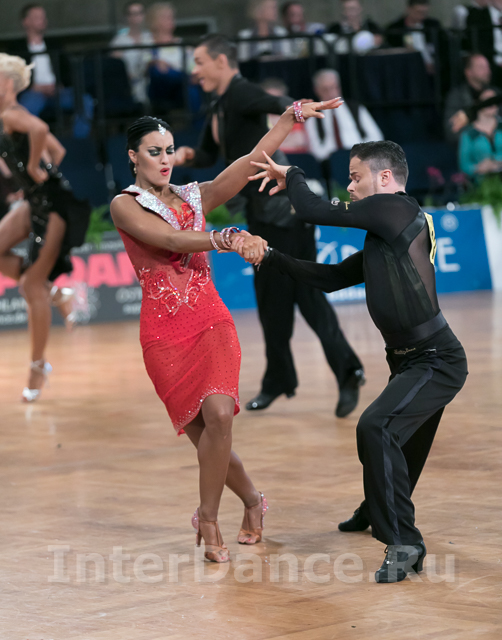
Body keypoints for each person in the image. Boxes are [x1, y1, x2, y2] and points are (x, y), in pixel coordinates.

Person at [110, 101, 341, 561]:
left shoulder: (195, 196)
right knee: (208, 442)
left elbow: (253, 160)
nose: (165, 159)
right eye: (154, 152)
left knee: (219, 418)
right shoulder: (124, 204)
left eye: (169, 150)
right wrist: (227, 238)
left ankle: (208, 518)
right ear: (133, 156)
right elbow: (171, 240)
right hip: (163, 334)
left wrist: (289, 118)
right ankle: (253, 501)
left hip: (210, 319)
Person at [241, 139, 468, 582]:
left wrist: (293, 174)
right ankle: (373, 509)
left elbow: (312, 210)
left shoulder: (396, 208)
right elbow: (328, 278)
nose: (349, 187)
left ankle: (405, 544)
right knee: (399, 443)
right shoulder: (384, 234)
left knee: (376, 427)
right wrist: (271, 257)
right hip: (409, 361)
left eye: (355, 177)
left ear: (384, 178)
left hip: (435, 359)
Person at [174, 35, 365, 417]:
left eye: (200, 61)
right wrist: (187, 154)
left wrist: (296, 108)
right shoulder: (219, 103)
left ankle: (348, 371)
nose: (195, 71)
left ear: (222, 61)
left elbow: (273, 104)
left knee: (307, 296)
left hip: (285, 214)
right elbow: (211, 153)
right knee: (270, 300)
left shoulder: (242, 92)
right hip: (261, 215)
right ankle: (279, 377)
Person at [0, 54, 91, 401]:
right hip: (35, 200)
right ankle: (57, 295)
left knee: (29, 285)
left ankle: (38, 368)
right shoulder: (13, 116)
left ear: (8, 84)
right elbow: (58, 149)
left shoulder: (13, 114)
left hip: (53, 207)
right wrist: (35, 175)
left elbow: (40, 132)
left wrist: (34, 169)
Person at [8, 3, 93, 138]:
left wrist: (60, 84)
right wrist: (32, 86)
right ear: (26, 22)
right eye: (37, 17)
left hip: (58, 92)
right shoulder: (16, 49)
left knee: (85, 101)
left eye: (43, 17)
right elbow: (13, 76)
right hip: (33, 92)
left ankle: (78, 143)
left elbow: (67, 71)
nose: (43, 20)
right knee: (26, 107)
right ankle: (32, 146)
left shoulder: (55, 45)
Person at [305, 69, 383, 198]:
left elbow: (376, 136)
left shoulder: (355, 108)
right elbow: (314, 148)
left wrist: (359, 152)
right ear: (317, 90)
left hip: (360, 157)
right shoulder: (314, 117)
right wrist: (336, 156)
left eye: (334, 87)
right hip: (331, 163)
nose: (331, 93)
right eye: (325, 89)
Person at [145, 2, 199, 114]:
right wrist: (155, 62)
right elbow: (144, 66)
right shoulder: (146, 42)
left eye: (171, 17)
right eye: (165, 17)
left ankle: (198, 124)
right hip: (160, 89)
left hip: (180, 88)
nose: (170, 20)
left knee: (192, 89)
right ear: (155, 21)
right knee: (157, 70)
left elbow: (192, 66)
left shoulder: (182, 44)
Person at [110, 1, 153, 106]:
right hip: (128, 86)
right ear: (127, 17)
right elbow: (115, 66)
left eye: (139, 13)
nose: (136, 17)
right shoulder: (119, 41)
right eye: (133, 14)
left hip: (151, 83)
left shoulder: (151, 37)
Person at [444, 53, 492, 143]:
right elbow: (452, 131)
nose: (487, 71)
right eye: (481, 67)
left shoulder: (494, 94)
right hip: (471, 145)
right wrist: (480, 132)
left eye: (488, 67)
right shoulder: (457, 97)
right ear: (468, 72)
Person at [385, 0, 443, 73]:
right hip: (406, 68)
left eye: (424, 12)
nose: (422, 15)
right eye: (418, 12)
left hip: (433, 66)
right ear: (409, 9)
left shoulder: (433, 25)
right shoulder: (396, 28)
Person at [459, 88, 502, 180]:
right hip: (482, 183)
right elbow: (464, 165)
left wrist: (497, 162)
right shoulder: (468, 133)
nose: (491, 104)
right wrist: (478, 168)